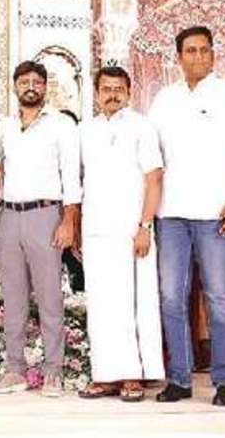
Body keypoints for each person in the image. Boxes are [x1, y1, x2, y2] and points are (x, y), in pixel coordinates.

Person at [148, 26, 225, 406]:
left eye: (204, 50)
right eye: (191, 50)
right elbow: (149, 157)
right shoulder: (164, 100)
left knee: (219, 297)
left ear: (213, 55)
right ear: (179, 57)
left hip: (217, 214)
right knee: (171, 297)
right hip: (170, 215)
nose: (198, 56)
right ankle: (179, 379)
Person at [0, 61, 81, 397]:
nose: (30, 86)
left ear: (45, 87)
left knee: (49, 297)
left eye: (37, 82)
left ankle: (53, 372)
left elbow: (71, 174)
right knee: (13, 298)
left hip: (46, 215)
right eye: (24, 81)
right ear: (15, 87)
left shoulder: (61, 125)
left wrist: (68, 221)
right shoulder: (5, 127)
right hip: (9, 216)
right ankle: (14, 370)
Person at [75, 67, 165, 403]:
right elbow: (78, 181)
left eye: (118, 89)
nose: (112, 95)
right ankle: (105, 376)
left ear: (129, 92)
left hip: (132, 230)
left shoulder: (142, 126)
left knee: (133, 303)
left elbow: (154, 179)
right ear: (96, 93)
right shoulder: (85, 130)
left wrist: (145, 226)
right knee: (101, 303)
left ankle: (132, 376)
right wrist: (78, 229)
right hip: (96, 229)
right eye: (106, 89)